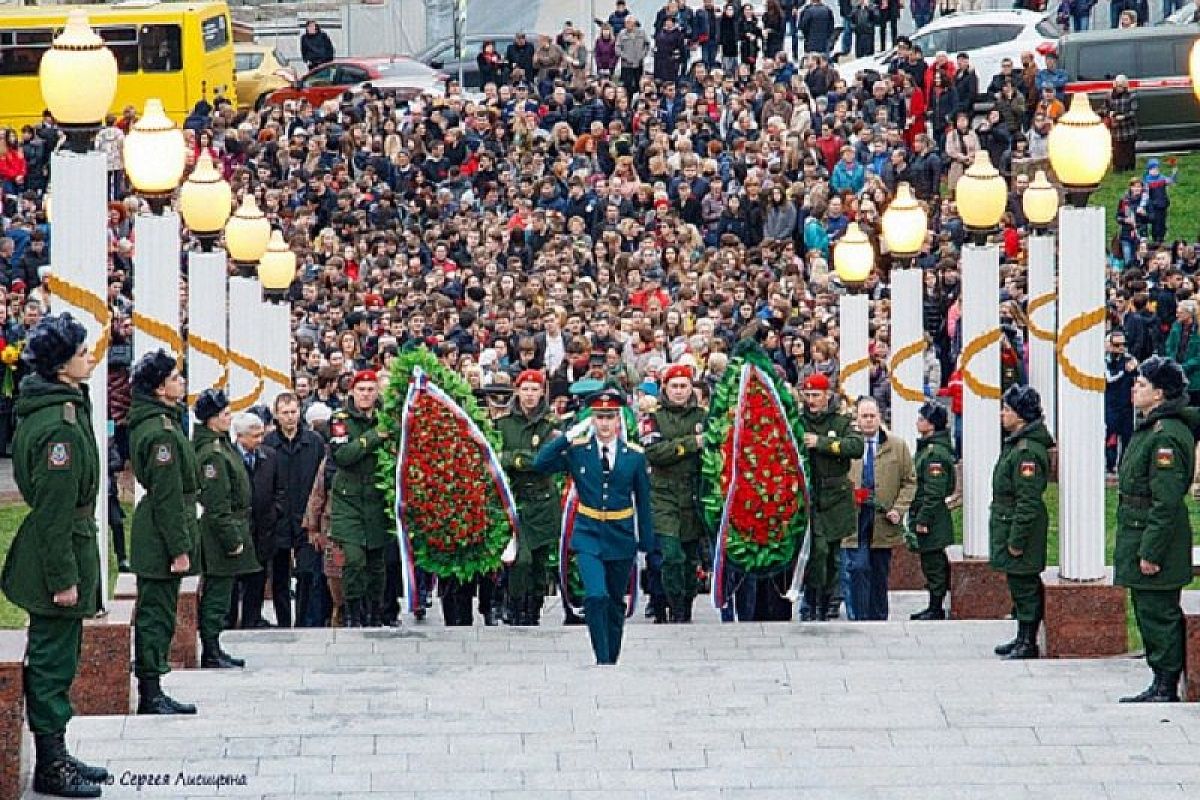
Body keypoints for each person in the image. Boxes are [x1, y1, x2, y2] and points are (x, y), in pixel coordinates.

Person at [0, 314, 109, 798]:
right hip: (57, 554)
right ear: (63, 365)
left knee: (59, 656)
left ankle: (57, 753)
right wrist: (63, 576)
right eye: (82, 352)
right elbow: (54, 511)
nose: (90, 358)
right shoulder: (59, 429)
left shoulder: (63, 409)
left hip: (67, 545)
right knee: (51, 661)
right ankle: (51, 765)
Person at [533, 387, 657, 664]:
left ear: (619, 420)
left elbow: (643, 500)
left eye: (609, 417)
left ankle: (611, 656)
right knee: (596, 596)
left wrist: (648, 543)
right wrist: (568, 435)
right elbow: (540, 463)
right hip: (588, 533)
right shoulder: (579, 452)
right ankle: (601, 657)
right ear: (592, 419)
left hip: (620, 535)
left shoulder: (633, 456)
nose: (604, 423)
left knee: (614, 601)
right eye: (599, 417)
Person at [1115, 357, 1197, 703]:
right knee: (1148, 608)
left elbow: (1165, 502)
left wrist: (1151, 551)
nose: (1135, 388)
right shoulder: (1151, 427)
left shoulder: (1166, 437)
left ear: (1160, 394)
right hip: (1139, 527)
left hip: (1154, 534)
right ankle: (1160, 678)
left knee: (1158, 611)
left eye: (1143, 385)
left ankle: (1166, 684)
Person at [128, 349, 198, 715]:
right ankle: (150, 691)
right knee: (156, 615)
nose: (181, 383)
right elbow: (168, 496)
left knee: (159, 611)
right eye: (174, 378)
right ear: (159, 388)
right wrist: (179, 547)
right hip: (160, 533)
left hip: (160, 527)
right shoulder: (161, 433)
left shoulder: (161, 423)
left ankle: (154, 686)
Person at [192, 389, 258, 669]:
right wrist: (232, 540)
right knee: (217, 595)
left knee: (224, 592)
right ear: (211, 419)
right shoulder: (213, 455)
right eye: (224, 414)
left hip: (236, 523)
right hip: (222, 532)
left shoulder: (221, 445)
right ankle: (210, 649)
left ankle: (215, 647)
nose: (229, 418)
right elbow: (216, 504)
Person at [990, 384, 1054, 661]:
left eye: (1006, 410)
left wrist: (1017, 540)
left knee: (1025, 584)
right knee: (1018, 583)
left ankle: (1028, 640)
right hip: (1008, 521)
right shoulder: (1018, 444)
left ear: (1020, 416)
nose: (1002, 414)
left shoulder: (1027, 451)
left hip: (1019, 526)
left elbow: (1027, 501)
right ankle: (1021, 635)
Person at [641, 363, 707, 623]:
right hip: (663, 494)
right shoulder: (654, 417)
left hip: (692, 494)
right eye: (674, 386)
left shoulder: (702, 417)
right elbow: (655, 452)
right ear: (664, 388)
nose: (679, 391)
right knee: (671, 554)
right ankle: (671, 603)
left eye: (684, 386)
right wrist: (691, 443)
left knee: (690, 558)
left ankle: (686, 606)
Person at [497, 370, 562, 626]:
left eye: (535, 390)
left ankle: (533, 608)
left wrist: (517, 458)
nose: (530, 395)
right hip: (516, 500)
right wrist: (519, 459)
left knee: (539, 563)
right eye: (525, 389)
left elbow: (547, 460)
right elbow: (497, 457)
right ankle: (514, 607)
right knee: (519, 560)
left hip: (544, 501)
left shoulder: (551, 424)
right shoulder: (504, 423)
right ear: (517, 391)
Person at [329, 370, 392, 626]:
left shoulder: (385, 418)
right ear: (352, 392)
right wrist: (374, 437)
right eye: (361, 390)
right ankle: (353, 612)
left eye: (370, 390)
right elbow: (343, 455)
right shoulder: (341, 419)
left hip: (377, 499)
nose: (366, 395)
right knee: (354, 559)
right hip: (349, 500)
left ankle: (375, 612)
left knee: (377, 562)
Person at [798, 372, 864, 620]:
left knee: (833, 555)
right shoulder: (799, 420)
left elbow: (855, 447)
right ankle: (812, 601)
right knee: (818, 551)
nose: (811, 400)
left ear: (827, 396)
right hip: (809, 496)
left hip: (835, 497)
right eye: (808, 395)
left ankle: (828, 602)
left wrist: (821, 443)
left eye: (816, 395)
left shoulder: (841, 421)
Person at [843, 396, 914, 622]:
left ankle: (879, 617)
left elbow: (909, 481)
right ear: (857, 419)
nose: (868, 421)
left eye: (872, 416)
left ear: (879, 418)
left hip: (883, 518)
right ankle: (859, 616)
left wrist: (898, 508)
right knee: (858, 567)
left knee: (879, 570)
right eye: (864, 416)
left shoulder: (897, 446)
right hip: (855, 516)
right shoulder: (849, 444)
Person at [264, 392, 325, 627]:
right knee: (279, 575)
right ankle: (283, 621)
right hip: (278, 520)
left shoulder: (314, 441)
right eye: (285, 413)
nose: (290, 417)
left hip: (306, 518)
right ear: (277, 415)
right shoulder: (268, 444)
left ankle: (303, 620)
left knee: (307, 572)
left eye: (294, 412)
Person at [227, 412, 283, 629]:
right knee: (233, 579)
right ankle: (230, 619)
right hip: (239, 527)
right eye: (255, 436)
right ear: (240, 436)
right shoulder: (229, 456)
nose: (260, 440)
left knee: (258, 576)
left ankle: (253, 618)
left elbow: (280, 489)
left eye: (261, 434)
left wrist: (274, 512)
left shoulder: (269, 456)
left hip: (263, 528)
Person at [905, 401, 956, 620]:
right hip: (926, 514)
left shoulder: (934, 454)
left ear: (931, 424)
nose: (918, 421)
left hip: (931, 518)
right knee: (930, 561)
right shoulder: (929, 448)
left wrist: (923, 519)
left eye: (922, 418)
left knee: (933, 563)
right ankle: (934, 604)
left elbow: (934, 492)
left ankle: (936, 607)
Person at [1104, 76, 1138, 173]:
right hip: (1116, 129)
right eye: (1118, 86)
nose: (1119, 88)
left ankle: (1130, 167)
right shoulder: (1109, 95)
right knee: (1117, 150)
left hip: (1129, 128)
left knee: (1129, 149)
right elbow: (1105, 108)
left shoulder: (1131, 95)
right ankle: (1118, 168)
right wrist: (1109, 113)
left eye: (1122, 86)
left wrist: (1123, 116)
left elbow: (1133, 112)